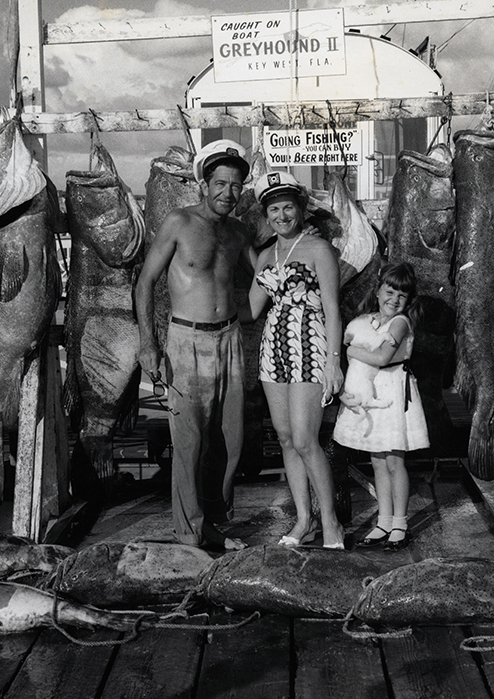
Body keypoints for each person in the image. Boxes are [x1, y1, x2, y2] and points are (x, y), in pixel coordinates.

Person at [134, 139, 256, 552]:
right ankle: (189, 535)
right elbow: (145, 282)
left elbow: (267, 275)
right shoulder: (178, 222)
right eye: (220, 184)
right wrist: (148, 343)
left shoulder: (239, 232)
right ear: (204, 184)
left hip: (231, 340)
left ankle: (216, 523)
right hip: (185, 342)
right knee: (189, 443)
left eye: (236, 186)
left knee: (230, 441)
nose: (228, 193)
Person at [245, 170, 347, 549]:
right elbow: (251, 309)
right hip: (274, 350)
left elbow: (334, 311)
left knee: (306, 439)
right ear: (266, 214)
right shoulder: (265, 255)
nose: (282, 216)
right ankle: (303, 521)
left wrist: (333, 363)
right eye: (274, 209)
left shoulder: (319, 249)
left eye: (288, 207)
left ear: (300, 209)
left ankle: (331, 522)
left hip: (311, 346)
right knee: (286, 439)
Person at [333, 261, 429, 551]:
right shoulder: (368, 319)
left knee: (394, 460)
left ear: (408, 300)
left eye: (401, 296)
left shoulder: (400, 322)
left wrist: (350, 350)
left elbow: (383, 358)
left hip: (394, 390)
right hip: (373, 390)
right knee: (377, 460)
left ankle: (400, 522)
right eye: (389, 292)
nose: (394, 300)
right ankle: (383, 521)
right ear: (377, 292)